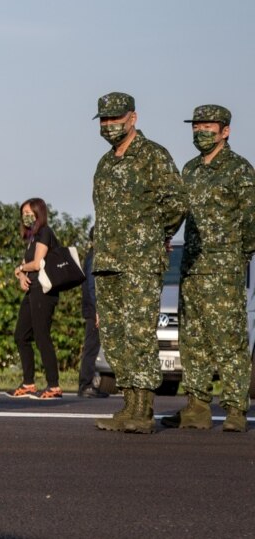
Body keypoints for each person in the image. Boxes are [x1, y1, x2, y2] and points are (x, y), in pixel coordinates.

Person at [91, 92, 186, 433]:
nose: (108, 125)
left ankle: (143, 410)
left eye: (115, 118)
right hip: (108, 262)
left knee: (139, 333)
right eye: (103, 119)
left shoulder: (152, 155)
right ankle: (129, 404)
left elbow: (177, 201)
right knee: (115, 335)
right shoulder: (105, 163)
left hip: (139, 261)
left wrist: (154, 234)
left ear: (133, 118)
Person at [162, 105, 255, 432]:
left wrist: (236, 258)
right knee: (193, 340)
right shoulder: (189, 170)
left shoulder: (239, 170)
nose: (200, 132)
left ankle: (234, 410)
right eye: (196, 126)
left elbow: (251, 223)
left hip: (224, 269)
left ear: (225, 131)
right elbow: (176, 213)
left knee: (229, 341)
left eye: (207, 126)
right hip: (191, 269)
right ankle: (197, 407)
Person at [9, 198, 64, 400]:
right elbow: (26, 264)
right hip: (32, 290)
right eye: (23, 212)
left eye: (30, 212)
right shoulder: (32, 237)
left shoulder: (45, 233)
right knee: (21, 335)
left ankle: (54, 385)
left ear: (39, 213)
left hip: (44, 291)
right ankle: (28, 383)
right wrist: (22, 274)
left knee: (42, 336)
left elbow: (38, 263)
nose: (26, 216)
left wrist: (21, 269)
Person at [78, 232, 108, 398]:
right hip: (93, 310)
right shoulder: (95, 257)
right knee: (91, 347)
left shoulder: (94, 255)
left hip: (92, 308)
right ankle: (86, 385)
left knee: (92, 346)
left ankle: (86, 384)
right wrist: (97, 310)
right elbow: (92, 285)